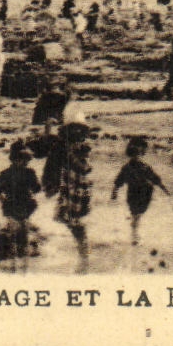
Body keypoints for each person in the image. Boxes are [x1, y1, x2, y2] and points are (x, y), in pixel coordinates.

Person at [50, 109, 94, 272]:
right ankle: (83, 251)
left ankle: (83, 252)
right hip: (70, 186)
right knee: (71, 220)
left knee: (74, 220)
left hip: (78, 188)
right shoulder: (68, 146)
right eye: (72, 129)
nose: (76, 132)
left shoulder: (83, 147)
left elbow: (84, 167)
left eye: (78, 129)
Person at [112, 136, 171, 247]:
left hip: (144, 193)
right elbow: (119, 181)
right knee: (136, 214)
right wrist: (114, 192)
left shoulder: (141, 167)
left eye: (139, 154)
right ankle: (135, 234)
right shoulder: (131, 167)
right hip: (136, 193)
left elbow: (155, 178)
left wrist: (164, 189)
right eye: (135, 154)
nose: (137, 157)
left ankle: (135, 231)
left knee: (137, 214)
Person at [0, 141, 41, 272]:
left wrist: (3, 200)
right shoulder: (29, 173)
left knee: (16, 235)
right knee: (21, 235)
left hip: (13, 206)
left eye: (24, 160)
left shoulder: (6, 173)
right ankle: (21, 266)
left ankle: (16, 264)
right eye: (22, 159)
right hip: (24, 205)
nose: (23, 162)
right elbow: (37, 188)